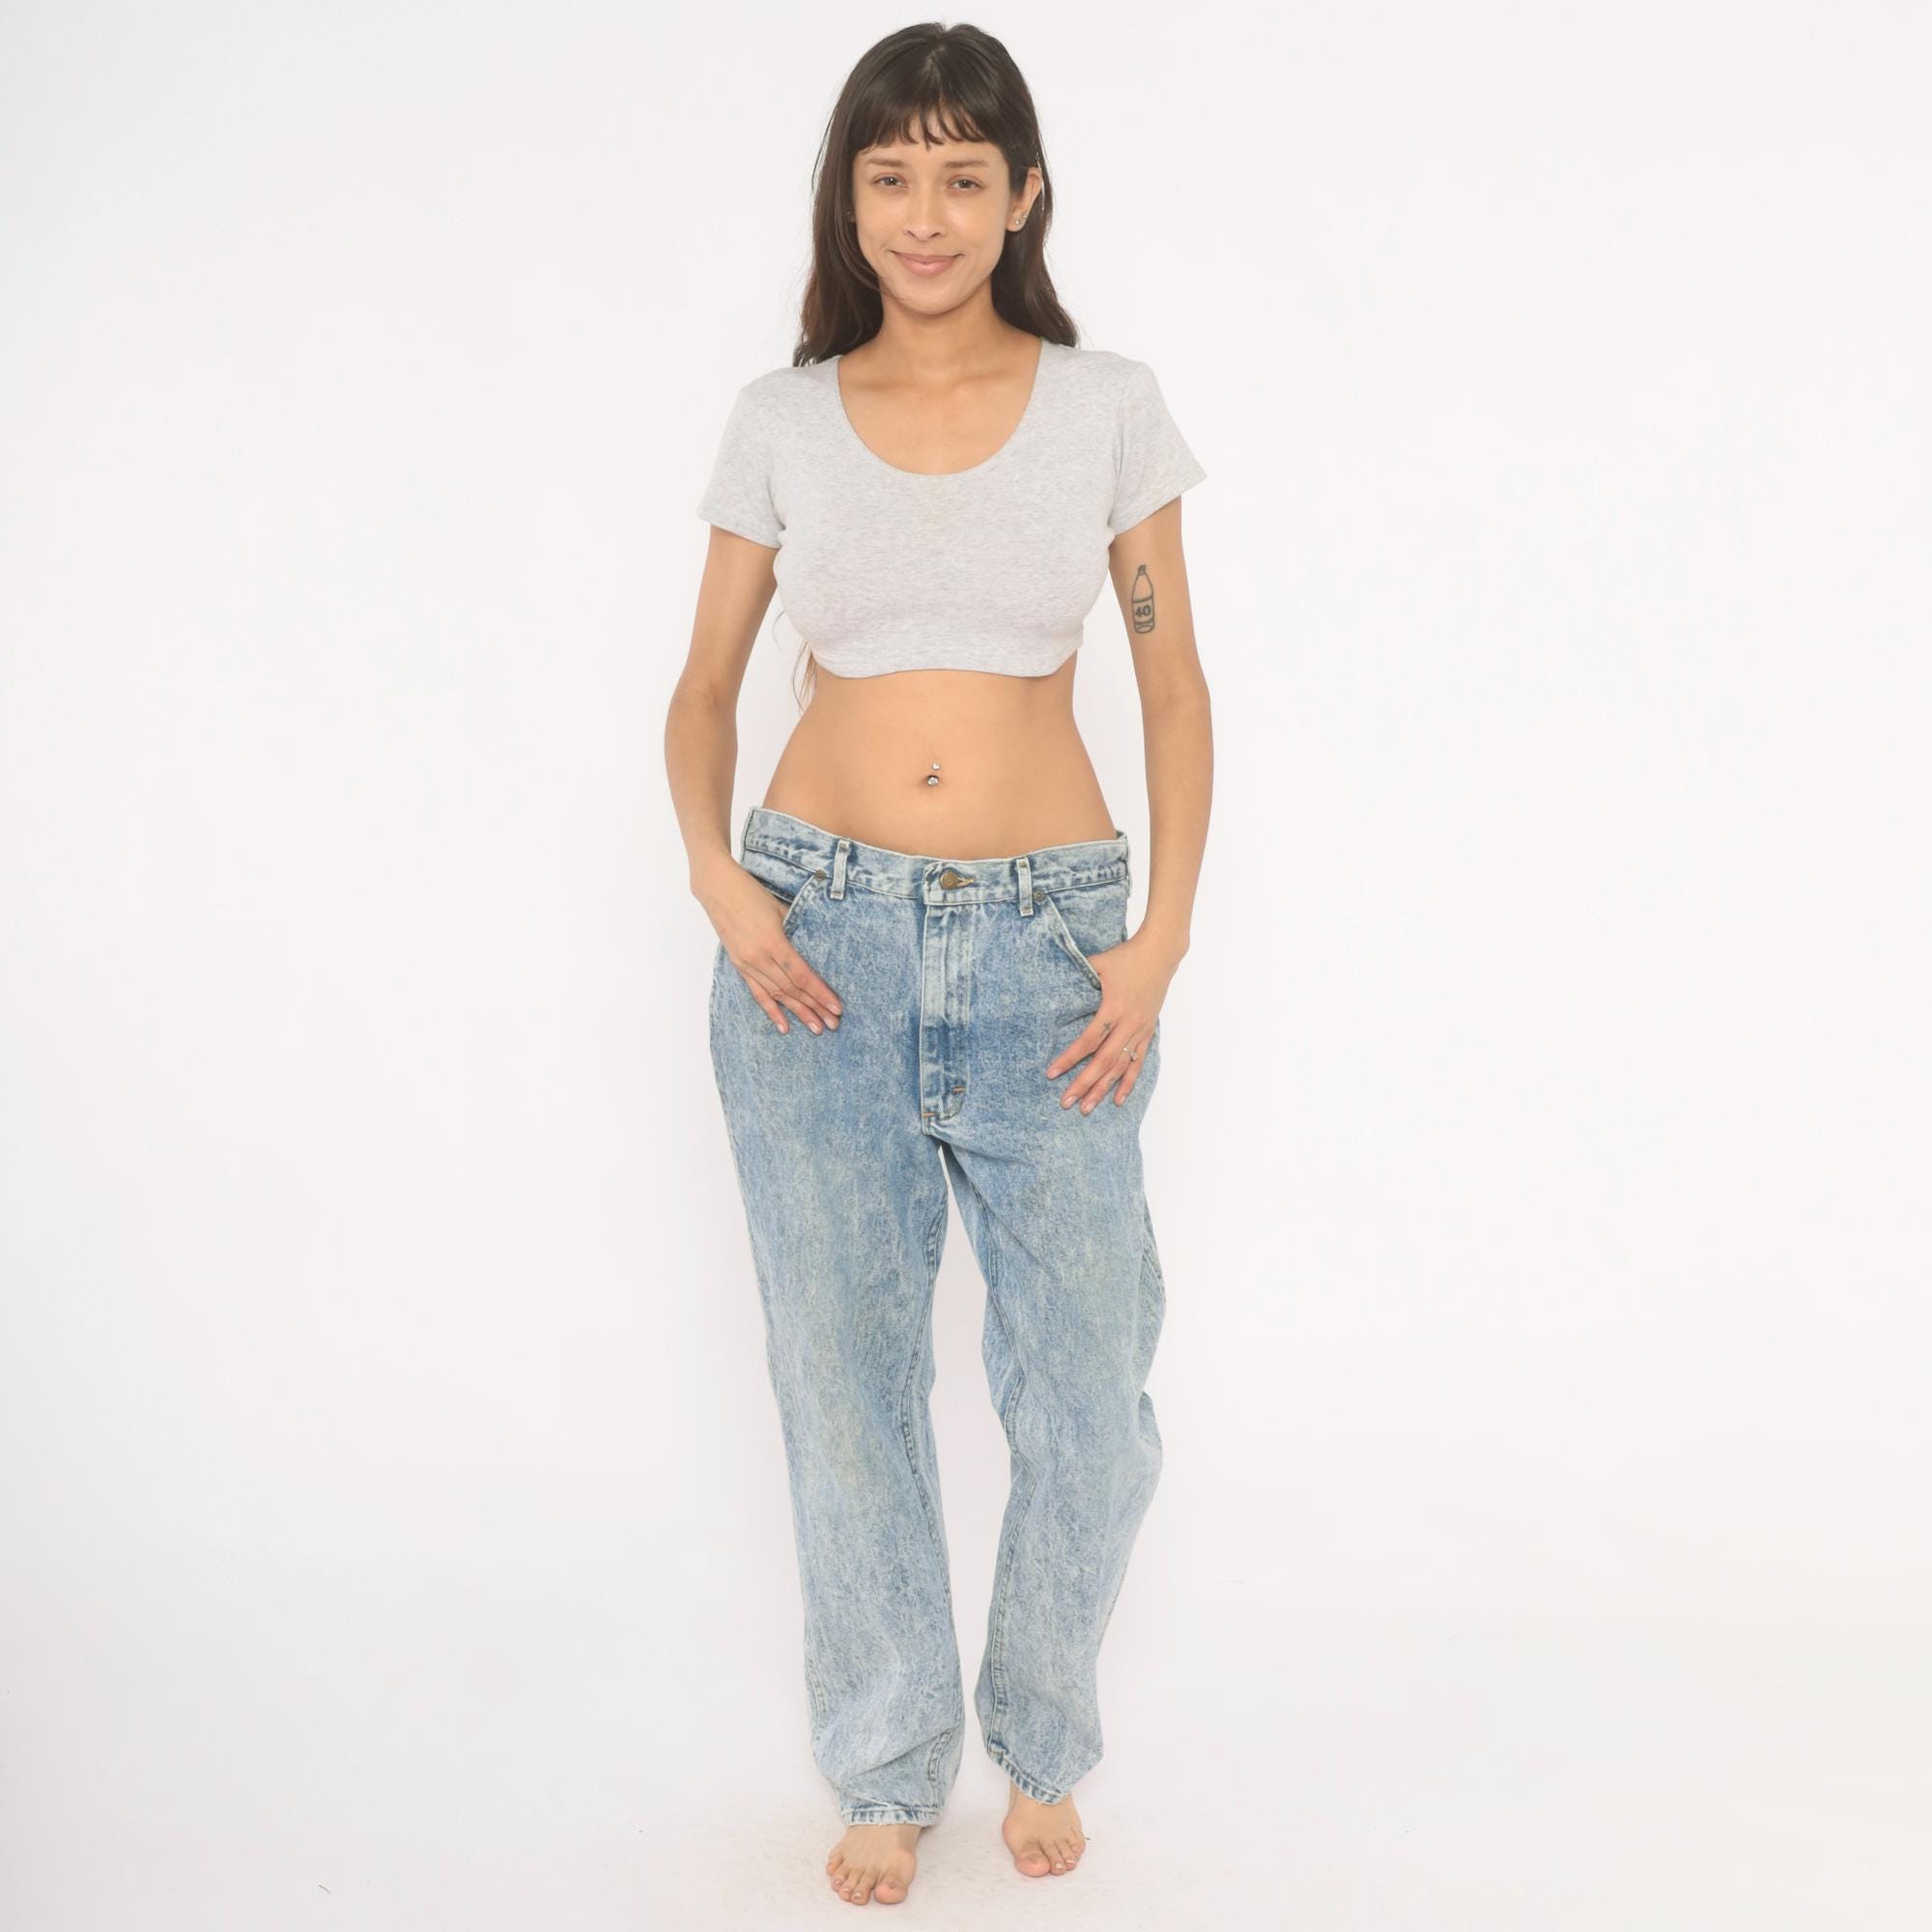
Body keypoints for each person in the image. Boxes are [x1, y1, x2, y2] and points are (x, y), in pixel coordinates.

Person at [665, 22, 1211, 1909]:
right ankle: (890, 1763)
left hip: (1053, 944)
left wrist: (1158, 942)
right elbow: (703, 691)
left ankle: (1040, 1730)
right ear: (849, 196)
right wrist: (724, 888)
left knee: (1092, 1388)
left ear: (1021, 196)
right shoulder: (782, 417)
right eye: (889, 174)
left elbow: (1171, 685)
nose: (925, 211)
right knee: (843, 1384)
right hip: (812, 944)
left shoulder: (1107, 406)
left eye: (962, 174)